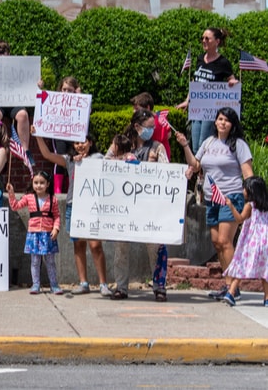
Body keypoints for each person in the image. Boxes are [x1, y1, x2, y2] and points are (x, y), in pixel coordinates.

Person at [176, 107, 253, 300]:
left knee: (226, 242)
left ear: (232, 124)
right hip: (212, 199)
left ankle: (234, 287)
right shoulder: (208, 142)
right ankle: (228, 285)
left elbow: (248, 174)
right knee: (217, 243)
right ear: (215, 122)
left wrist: (250, 200)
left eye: (226, 120)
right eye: (219, 119)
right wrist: (185, 145)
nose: (222, 123)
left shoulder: (239, 145)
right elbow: (196, 165)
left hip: (231, 197)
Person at [34, 131, 110, 296]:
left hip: (93, 206)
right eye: (76, 143)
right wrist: (38, 135)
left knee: (95, 245)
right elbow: (47, 155)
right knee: (78, 244)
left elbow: (114, 163)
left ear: (90, 142)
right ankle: (84, 283)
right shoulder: (69, 160)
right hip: (73, 206)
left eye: (83, 141)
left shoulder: (99, 158)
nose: (80, 145)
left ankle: (104, 284)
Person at [107, 110, 170, 301]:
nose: (151, 130)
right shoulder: (121, 144)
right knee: (121, 248)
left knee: (155, 248)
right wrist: (121, 160)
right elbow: (105, 163)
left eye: (153, 127)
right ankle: (121, 287)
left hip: (149, 207)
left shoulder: (157, 147)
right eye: (149, 127)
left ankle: (159, 287)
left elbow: (166, 170)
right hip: (124, 206)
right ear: (137, 127)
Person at [176, 28, 240, 154]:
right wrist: (187, 100)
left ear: (217, 41)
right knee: (194, 146)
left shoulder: (223, 62)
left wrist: (234, 83)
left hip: (210, 111)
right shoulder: (200, 59)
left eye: (207, 38)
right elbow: (196, 82)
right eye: (202, 38)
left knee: (203, 144)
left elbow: (231, 80)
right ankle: (197, 172)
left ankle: (205, 172)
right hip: (197, 108)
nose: (203, 41)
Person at [6, 171, 61, 295]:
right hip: (34, 234)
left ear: (48, 184)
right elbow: (15, 206)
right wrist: (11, 194)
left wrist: (56, 228)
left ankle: (54, 284)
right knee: (35, 261)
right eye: (36, 182)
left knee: (50, 261)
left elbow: (57, 216)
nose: (38, 185)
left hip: (48, 234)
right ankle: (36, 284)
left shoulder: (53, 200)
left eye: (42, 183)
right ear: (32, 183)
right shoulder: (29, 198)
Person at [221, 176, 268, 307]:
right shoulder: (265, 207)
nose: (243, 191)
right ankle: (267, 298)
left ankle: (231, 293)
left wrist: (231, 206)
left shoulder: (250, 206)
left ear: (251, 191)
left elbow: (239, 219)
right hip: (265, 242)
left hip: (252, 242)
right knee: (265, 271)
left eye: (245, 188)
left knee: (242, 266)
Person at [130, 92, 172, 159]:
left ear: (147, 107)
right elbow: (169, 134)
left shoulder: (156, 122)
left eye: (137, 109)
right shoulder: (160, 118)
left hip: (157, 157)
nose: (134, 111)